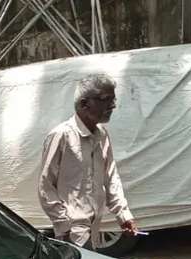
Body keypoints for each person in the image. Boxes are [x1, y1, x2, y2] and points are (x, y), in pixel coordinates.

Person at [38, 74, 138, 249]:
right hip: (72, 233)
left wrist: (124, 215)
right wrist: (64, 226)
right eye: (106, 100)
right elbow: (45, 186)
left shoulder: (102, 135)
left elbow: (111, 177)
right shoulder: (61, 135)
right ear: (84, 104)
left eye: (113, 99)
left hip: (94, 229)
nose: (113, 105)